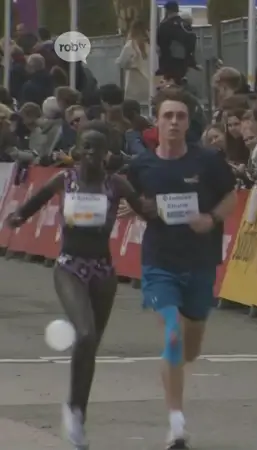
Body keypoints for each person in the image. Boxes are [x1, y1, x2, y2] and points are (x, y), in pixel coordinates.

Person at [4, 121, 150, 449]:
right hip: (70, 267)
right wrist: (17, 218)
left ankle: (77, 413)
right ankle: (73, 408)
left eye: (96, 149)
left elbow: (146, 213)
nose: (90, 154)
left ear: (106, 154)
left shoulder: (117, 185)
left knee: (90, 345)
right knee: (84, 334)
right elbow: (33, 203)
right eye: (85, 147)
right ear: (77, 150)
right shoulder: (64, 179)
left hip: (103, 271)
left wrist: (168, 212)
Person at [125, 87, 237, 449]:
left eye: (181, 116)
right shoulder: (142, 165)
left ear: (189, 122)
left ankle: (179, 372)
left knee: (190, 347)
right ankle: (176, 423)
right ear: (156, 122)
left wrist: (211, 218)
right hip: (160, 262)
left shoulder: (207, 162)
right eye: (167, 116)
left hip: (201, 261)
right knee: (172, 334)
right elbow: (130, 198)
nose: (174, 122)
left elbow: (231, 196)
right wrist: (139, 207)